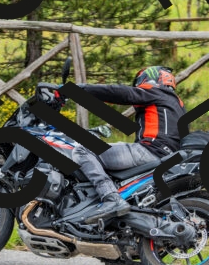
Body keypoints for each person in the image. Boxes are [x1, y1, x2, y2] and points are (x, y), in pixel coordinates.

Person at [72, 66, 186, 224]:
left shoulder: (155, 91)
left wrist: (79, 89)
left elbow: (121, 93)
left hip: (150, 151)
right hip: (166, 155)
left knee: (84, 150)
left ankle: (111, 199)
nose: (139, 86)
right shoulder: (177, 103)